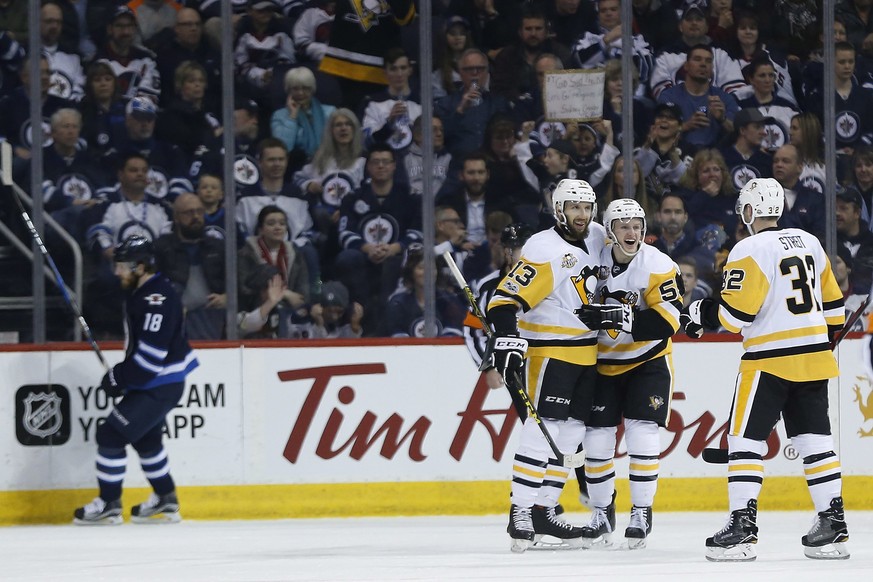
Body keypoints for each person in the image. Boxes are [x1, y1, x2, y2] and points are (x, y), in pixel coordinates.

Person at [682, 178, 850, 562]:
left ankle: (742, 528)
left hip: (767, 362)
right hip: (813, 359)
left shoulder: (749, 248)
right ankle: (833, 526)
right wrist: (816, 337)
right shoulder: (810, 242)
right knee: (816, 444)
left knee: (744, 442)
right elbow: (835, 311)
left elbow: (735, 317)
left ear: (748, 211)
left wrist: (700, 313)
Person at [486, 179, 607, 552]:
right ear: (559, 210)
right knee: (542, 434)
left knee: (571, 439)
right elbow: (503, 300)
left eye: (587, 207)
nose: (582, 215)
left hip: (589, 353)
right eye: (574, 207)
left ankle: (543, 509)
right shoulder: (543, 248)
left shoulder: (600, 236)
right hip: (551, 353)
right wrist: (507, 335)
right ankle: (520, 511)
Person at [575, 198, 683, 550]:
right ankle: (602, 511)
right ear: (609, 231)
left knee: (642, 436)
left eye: (637, 225)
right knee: (597, 441)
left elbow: (670, 321)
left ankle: (641, 511)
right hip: (603, 364)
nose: (632, 232)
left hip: (646, 362)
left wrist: (612, 317)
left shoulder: (659, 265)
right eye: (623, 226)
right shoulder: (593, 260)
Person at [73, 235, 198, 525]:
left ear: (141, 266)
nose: (118, 272)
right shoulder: (145, 290)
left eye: (123, 266)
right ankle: (166, 498)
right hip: (159, 382)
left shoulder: (157, 299)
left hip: (159, 384)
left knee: (110, 435)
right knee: (146, 439)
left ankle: (108, 503)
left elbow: (150, 360)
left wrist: (118, 377)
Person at [154, 193, 227, 340]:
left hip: (212, 316)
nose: (196, 217)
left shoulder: (217, 247)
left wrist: (228, 297)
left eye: (200, 211)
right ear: (176, 217)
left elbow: (236, 281)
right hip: (174, 317)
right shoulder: (162, 247)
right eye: (189, 212)